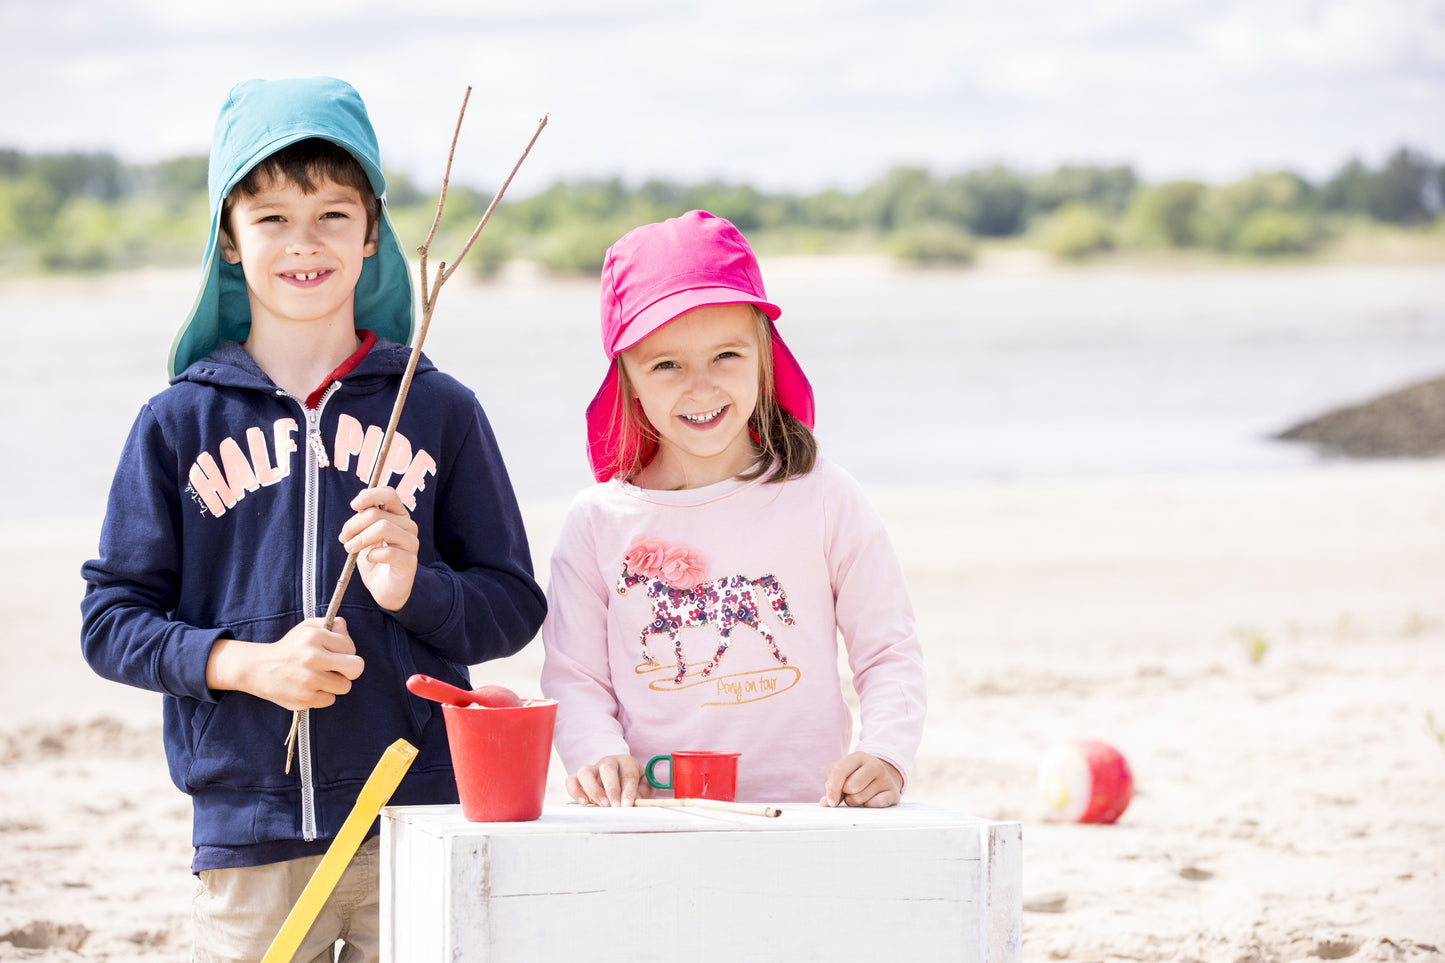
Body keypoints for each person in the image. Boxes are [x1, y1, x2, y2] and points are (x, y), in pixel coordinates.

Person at [79, 77, 547, 962]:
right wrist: (245, 664)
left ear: (374, 234)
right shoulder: (177, 423)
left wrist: (416, 589)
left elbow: (513, 602)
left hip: (415, 811)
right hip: (251, 835)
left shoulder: (438, 409)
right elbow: (111, 621)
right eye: (272, 218)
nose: (305, 242)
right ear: (227, 237)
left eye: (334, 214)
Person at [540, 210, 926, 810]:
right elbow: (576, 677)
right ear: (627, 378)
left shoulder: (823, 495)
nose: (701, 387)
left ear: (765, 355)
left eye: (726, 355)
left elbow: (887, 649)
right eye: (666, 364)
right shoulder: (597, 523)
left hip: (810, 815)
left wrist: (885, 753)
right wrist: (595, 752)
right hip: (656, 818)